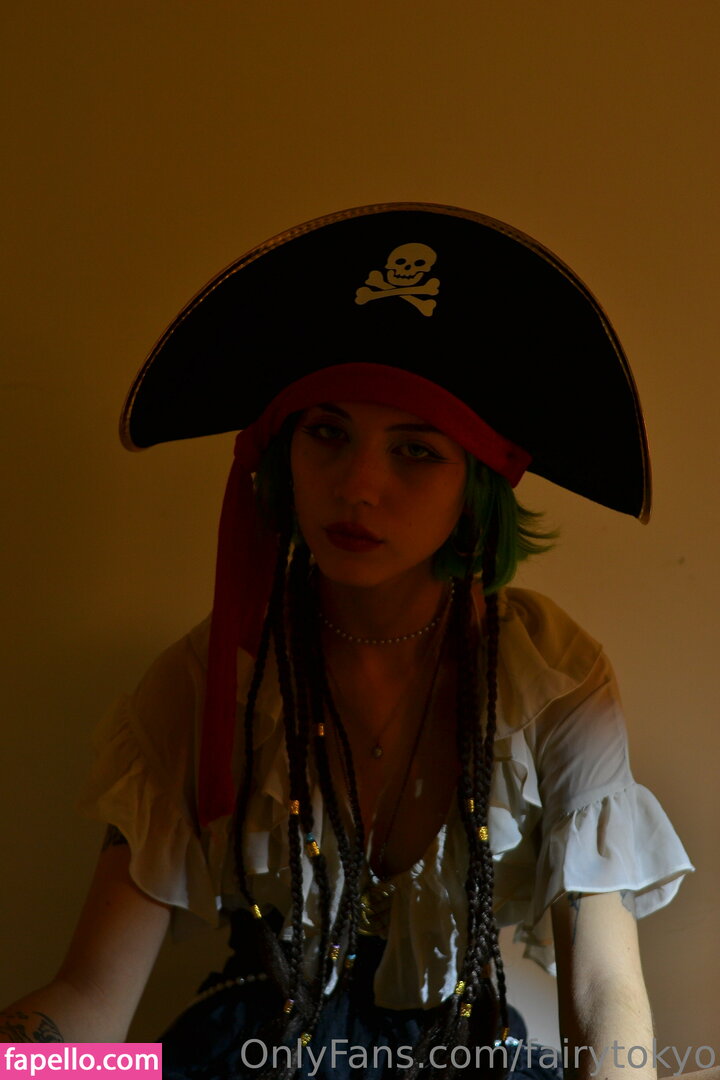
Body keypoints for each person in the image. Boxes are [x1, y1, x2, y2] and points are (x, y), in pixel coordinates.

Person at [0, 204, 693, 1078]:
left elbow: (604, 990)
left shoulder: (551, 678)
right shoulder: (215, 675)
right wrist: (24, 1063)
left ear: (477, 486)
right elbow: (93, 1006)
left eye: (416, 451)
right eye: (327, 433)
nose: (358, 486)